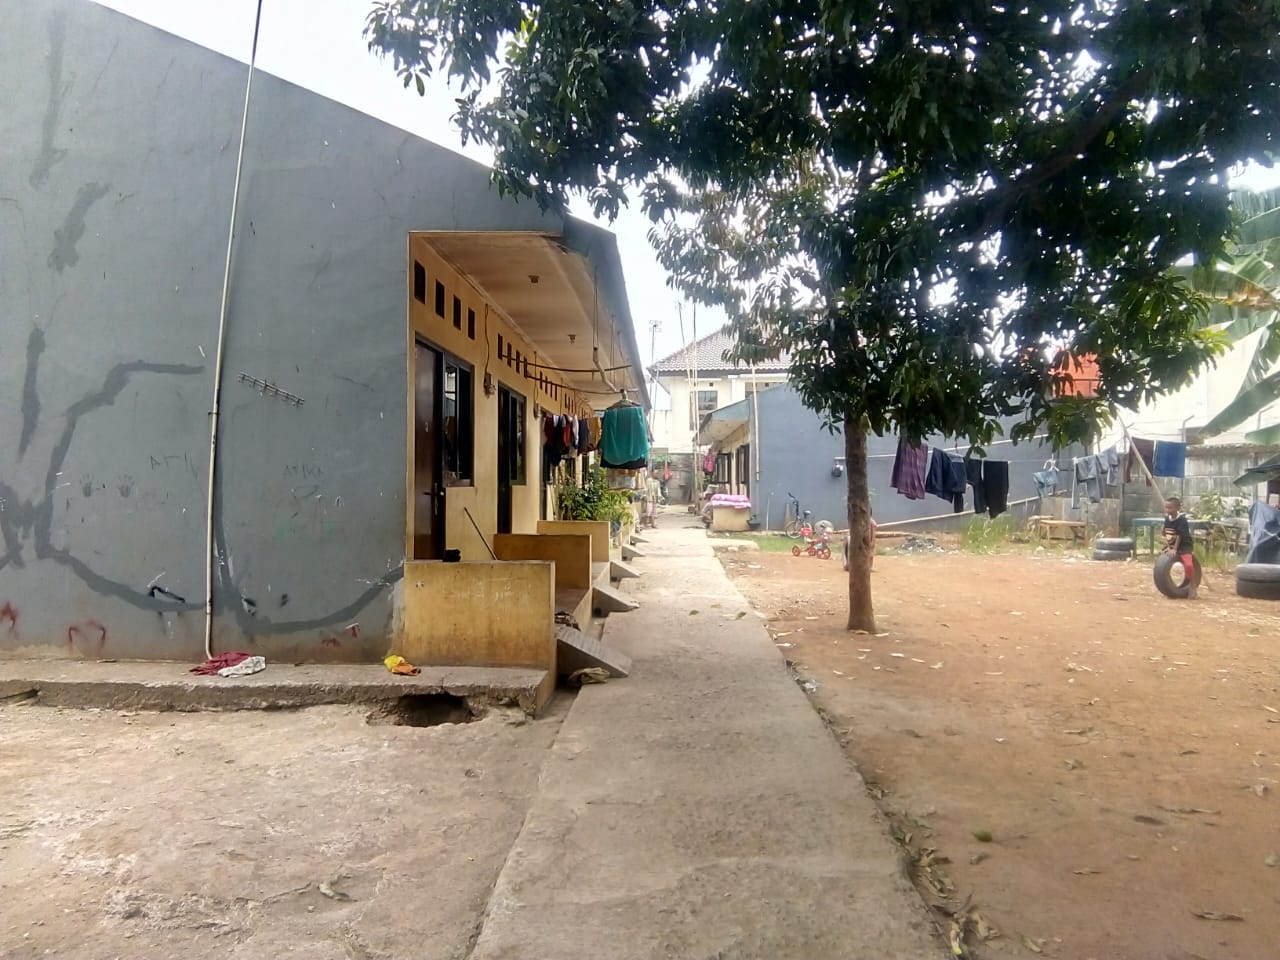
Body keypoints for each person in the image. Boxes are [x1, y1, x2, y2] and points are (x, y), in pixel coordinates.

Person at [1163, 496, 1198, 599]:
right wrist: (1169, 547)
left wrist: (1174, 549)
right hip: (1172, 544)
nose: (1168, 510)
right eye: (1166, 508)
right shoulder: (1167, 519)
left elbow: (1179, 536)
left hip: (1184, 546)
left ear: (1177, 508)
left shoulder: (1182, 520)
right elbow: (1167, 533)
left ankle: (1192, 585)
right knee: (1162, 565)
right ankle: (1168, 588)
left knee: (1189, 565)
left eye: (1170, 508)